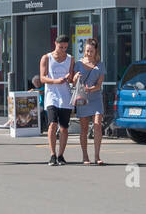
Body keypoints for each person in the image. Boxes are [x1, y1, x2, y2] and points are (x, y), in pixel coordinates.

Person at [40, 35, 75, 166]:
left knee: (64, 128)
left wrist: (71, 77)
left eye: (65, 47)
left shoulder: (70, 59)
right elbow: (43, 78)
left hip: (65, 97)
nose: (63, 50)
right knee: (52, 124)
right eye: (61, 47)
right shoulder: (46, 58)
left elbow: (71, 78)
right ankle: (52, 154)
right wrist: (55, 81)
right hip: (51, 97)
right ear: (55, 44)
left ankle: (61, 155)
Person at [73, 40, 106, 165]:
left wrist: (90, 89)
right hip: (83, 98)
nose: (89, 53)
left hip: (96, 98)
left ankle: (97, 156)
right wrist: (75, 78)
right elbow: (73, 82)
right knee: (84, 128)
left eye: (91, 51)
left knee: (97, 125)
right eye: (87, 51)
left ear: (96, 51)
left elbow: (99, 85)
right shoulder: (78, 64)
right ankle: (85, 156)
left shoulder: (100, 65)